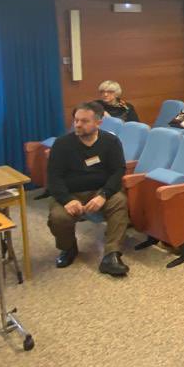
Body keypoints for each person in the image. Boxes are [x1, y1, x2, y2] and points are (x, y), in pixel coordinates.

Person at [46, 101, 130, 276]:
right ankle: (68, 248)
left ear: (98, 123)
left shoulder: (111, 142)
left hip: (100, 190)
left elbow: (118, 171)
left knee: (119, 202)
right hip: (71, 192)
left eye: (84, 121)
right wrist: (67, 199)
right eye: (76, 120)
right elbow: (54, 178)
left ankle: (111, 255)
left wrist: (104, 195)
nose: (78, 124)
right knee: (58, 217)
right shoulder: (62, 144)